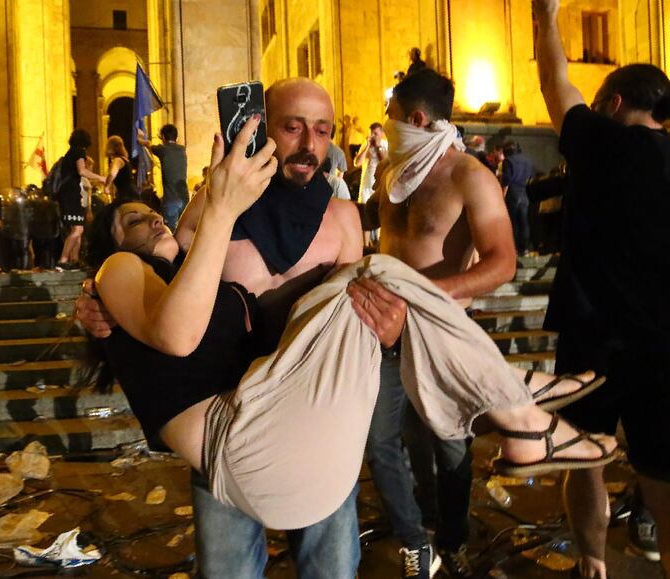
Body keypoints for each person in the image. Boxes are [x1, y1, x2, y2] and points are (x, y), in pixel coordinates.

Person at [78, 78, 616, 579]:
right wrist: (98, 306)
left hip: (317, 414)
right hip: (230, 419)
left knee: (332, 565)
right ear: (264, 127)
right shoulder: (216, 206)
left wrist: (389, 328)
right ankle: (514, 399)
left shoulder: (341, 219)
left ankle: (505, 406)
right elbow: (165, 293)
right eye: (292, 127)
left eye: (323, 130)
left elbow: (358, 322)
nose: (310, 143)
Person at [366, 68, 611, 578]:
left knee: (450, 444)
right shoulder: (393, 172)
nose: (386, 127)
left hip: (441, 335)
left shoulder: (467, 174)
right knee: (386, 439)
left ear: (416, 118)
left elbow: (502, 261)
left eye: (391, 117)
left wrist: (426, 297)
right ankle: (419, 534)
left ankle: (451, 537)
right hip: (384, 332)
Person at [534, 1, 670, 577]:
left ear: (613, 103)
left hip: (593, 332)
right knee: (663, 471)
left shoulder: (601, 141)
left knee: (583, 455)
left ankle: (592, 561)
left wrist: (547, 16)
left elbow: (553, 80)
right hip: (664, 342)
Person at [56, 129, 106, 270]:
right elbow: (82, 171)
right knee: (77, 229)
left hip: (67, 194)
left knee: (77, 228)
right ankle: (63, 259)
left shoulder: (69, 153)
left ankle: (75, 260)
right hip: (71, 195)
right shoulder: (79, 152)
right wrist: (100, 178)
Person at [140, 124, 189, 231]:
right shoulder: (182, 150)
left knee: (170, 232)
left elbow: (148, 144)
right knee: (183, 231)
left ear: (162, 137)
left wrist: (139, 137)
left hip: (171, 200)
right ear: (176, 137)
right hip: (184, 199)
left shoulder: (163, 150)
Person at [500, 140, 535, 255]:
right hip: (525, 191)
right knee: (524, 220)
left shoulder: (508, 161)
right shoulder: (527, 161)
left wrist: (502, 195)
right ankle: (525, 248)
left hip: (513, 192)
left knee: (513, 220)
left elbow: (507, 180)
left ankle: (514, 247)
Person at [354, 122, 388, 203]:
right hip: (366, 186)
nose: (372, 136)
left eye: (375, 134)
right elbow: (357, 163)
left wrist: (378, 147)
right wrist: (366, 147)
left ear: (381, 133)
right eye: (371, 134)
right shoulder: (365, 145)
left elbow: (385, 163)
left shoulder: (385, 145)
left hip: (379, 186)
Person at [104, 135, 139, 201]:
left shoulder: (117, 160)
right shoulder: (125, 160)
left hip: (125, 195)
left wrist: (106, 186)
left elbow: (112, 174)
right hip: (133, 192)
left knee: (107, 211)